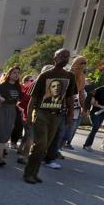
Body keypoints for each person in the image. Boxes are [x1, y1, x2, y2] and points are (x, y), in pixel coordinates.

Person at [23, 49, 76, 184]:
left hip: (57, 115)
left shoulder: (70, 76)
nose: (64, 58)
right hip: (42, 113)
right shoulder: (45, 75)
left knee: (45, 145)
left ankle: (35, 173)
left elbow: (70, 97)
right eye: (61, 56)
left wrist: (70, 114)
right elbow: (33, 98)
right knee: (40, 144)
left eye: (67, 56)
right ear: (55, 57)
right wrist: (29, 115)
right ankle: (28, 173)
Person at [45, 56, 87, 168]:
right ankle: (42, 154)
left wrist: (83, 108)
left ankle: (50, 157)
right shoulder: (67, 74)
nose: (83, 65)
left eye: (85, 63)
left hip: (68, 109)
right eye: (81, 63)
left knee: (61, 134)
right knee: (51, 133)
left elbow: (81, 94)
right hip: (55, 107)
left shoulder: (82, 77)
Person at [0, 66, 21, 167]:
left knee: (5, 133)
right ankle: (1, 159)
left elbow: (18, 100)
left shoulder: (17, 86)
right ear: (9, 74)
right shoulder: (3, 85)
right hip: (2, 110)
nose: (16, 75)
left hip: (12, 110)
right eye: (14, 72)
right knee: (1, 133)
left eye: (18, 73)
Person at [82, 75, 104, 151]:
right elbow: (92, 102)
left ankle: (87, 145)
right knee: (95, 127)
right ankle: (87, 145)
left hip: (103, 113)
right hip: (95, 112)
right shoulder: (98, 90)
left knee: (96, 128)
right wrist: (101, 106)